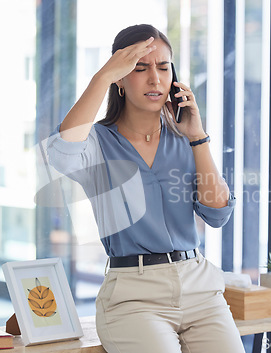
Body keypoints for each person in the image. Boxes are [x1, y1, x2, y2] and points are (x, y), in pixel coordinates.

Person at [46, 24, 245, 353]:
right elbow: (62, 154)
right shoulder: (96, 142)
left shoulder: (186, 140)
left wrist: (198, 136)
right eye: (140, 68)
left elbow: (217, 213)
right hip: (133, 297)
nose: (155, 79)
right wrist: (101, 77)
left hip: (200, 288)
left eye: (163, 67)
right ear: (120, 78)